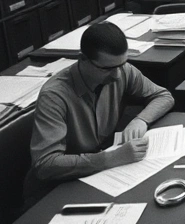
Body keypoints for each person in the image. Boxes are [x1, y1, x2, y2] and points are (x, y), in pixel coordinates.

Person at [27, 22, 174, 194]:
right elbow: (45, 164)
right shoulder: (54, 96)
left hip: (102, 176)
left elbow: (163, 96)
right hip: (62, 186)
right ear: (83, 59)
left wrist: (140, 120)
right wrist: (110, 158)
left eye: (122, 64)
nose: (118, 74)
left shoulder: (120, 69)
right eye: (107, 69)